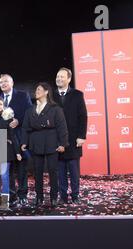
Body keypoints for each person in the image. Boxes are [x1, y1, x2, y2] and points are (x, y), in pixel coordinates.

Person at [21, 83, 68, 208]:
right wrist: (24, 142)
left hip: (52, 143)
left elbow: (62, 127)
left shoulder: (55, 108)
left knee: (53, 171)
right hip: (35, 144)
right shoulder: (30, 110)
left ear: (47, 92)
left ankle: (53, 197)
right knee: (37, 172)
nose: (36, 91)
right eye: (36, 89)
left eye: (39, 89)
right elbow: (25, 127)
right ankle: (39, 197)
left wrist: (63, 143)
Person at [53, 68, 87, 205]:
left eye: (62, 77)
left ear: (69, 79)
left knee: (73, 170)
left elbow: (83, 117)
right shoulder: (51, 95)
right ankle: (63, 196)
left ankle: (75, 195)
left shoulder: (78, 95)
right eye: (57, 76)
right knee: (60, 170)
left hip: (73, 139)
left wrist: (81, 136)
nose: (59, 79)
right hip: (57, 139)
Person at [0, 74, 33, 206]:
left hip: (19, 137)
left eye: (6, 81)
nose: (3, 84)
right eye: (1, 82)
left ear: (12, 83)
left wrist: (19, 121)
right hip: (5, 139)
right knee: (8, 168)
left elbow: (29, 114)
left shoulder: (23, 95)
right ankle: (11, 195)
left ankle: (23, 194)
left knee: (22, 168)